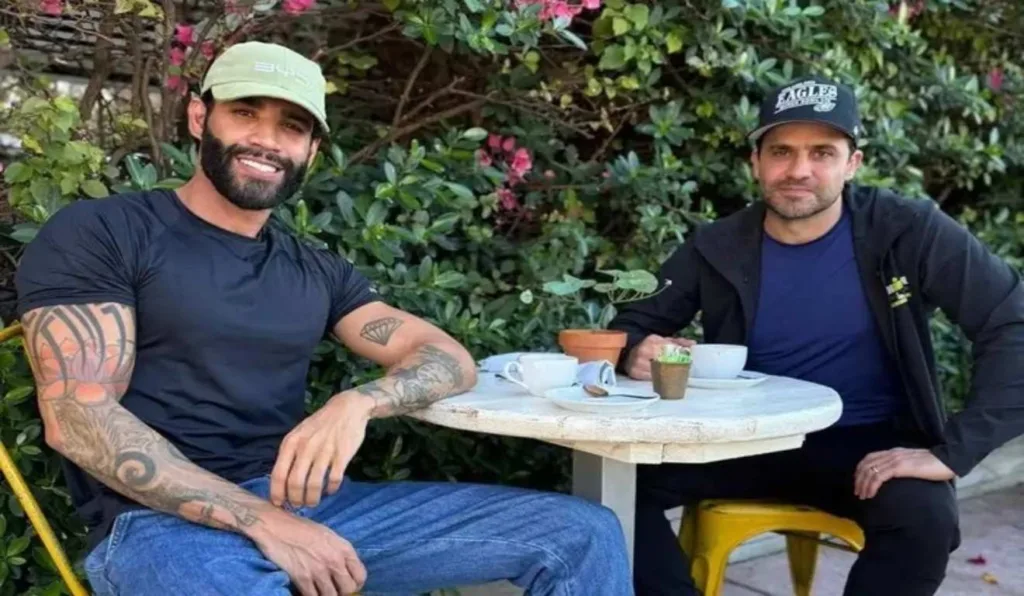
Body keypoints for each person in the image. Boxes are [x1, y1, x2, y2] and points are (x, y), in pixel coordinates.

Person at [16, 41, 632, 596]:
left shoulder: (314, 269)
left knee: (583, 532)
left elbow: (446, 356)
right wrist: (264, 523)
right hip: (162, 527)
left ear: (311, 150)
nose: (267, 140)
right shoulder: (107, 232)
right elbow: (78, 417)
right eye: (245, 113)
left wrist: (356, 404)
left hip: (311, 508)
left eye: (292, 127)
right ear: (200, 118)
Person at [609, 75, 1024, 595]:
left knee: (924, 518)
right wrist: (633, 353)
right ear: (755, 163)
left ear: (853, 163)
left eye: (822, 152)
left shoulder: (907, 230)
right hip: (740, 441)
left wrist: (952, 451)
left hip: (867, 442)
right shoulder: (717, 245)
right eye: (781, 151)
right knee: (609, 487)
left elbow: (1012, 321)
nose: (799, 170)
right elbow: (631, 326)